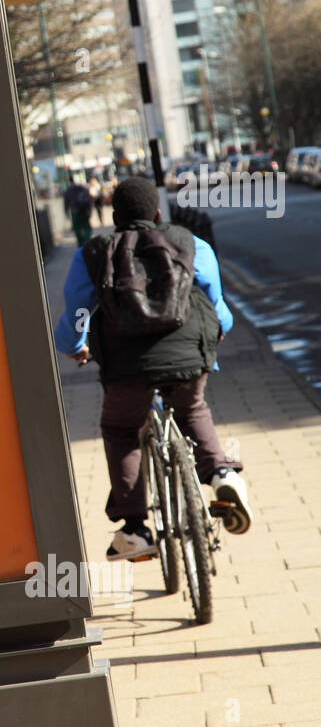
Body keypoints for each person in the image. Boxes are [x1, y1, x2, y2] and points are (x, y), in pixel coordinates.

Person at [54, 176, 251, 560]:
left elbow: (77, 312)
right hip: (186, 352)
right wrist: (221, 330)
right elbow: (214, 300)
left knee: (122, 428)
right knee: (192, 408)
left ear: (114, 216)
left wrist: (74, 347)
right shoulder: (189, 243)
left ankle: (134, 529)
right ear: (158, 213)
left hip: (126, 365)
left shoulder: (94, 253)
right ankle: (221, 473)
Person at [63, 175, 93, 246]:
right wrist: (90, 210)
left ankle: (81, 244)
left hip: (75, 212)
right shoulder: (82, 188)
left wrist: (66, 213)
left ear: (69, 181)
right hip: (84, 210)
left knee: (77, 228)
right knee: (86, 226)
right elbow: (89, 199)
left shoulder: (68, 190)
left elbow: (66, 203)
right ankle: (87, 241)